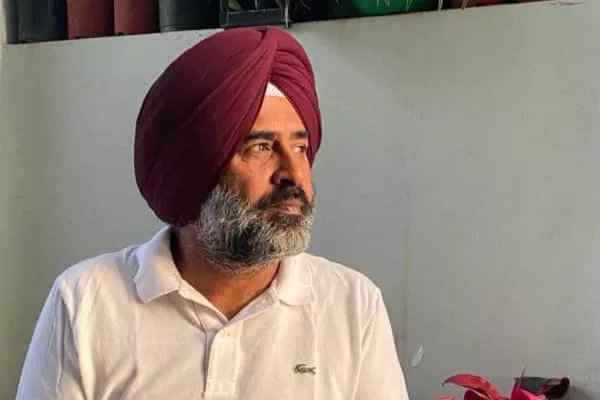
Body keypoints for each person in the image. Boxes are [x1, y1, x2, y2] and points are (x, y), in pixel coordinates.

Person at [16, 27, 409, 399]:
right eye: (261, 148)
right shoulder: (86, 302)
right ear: (194, 170)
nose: (293, 174)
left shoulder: (352, 305)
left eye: (300, 148)